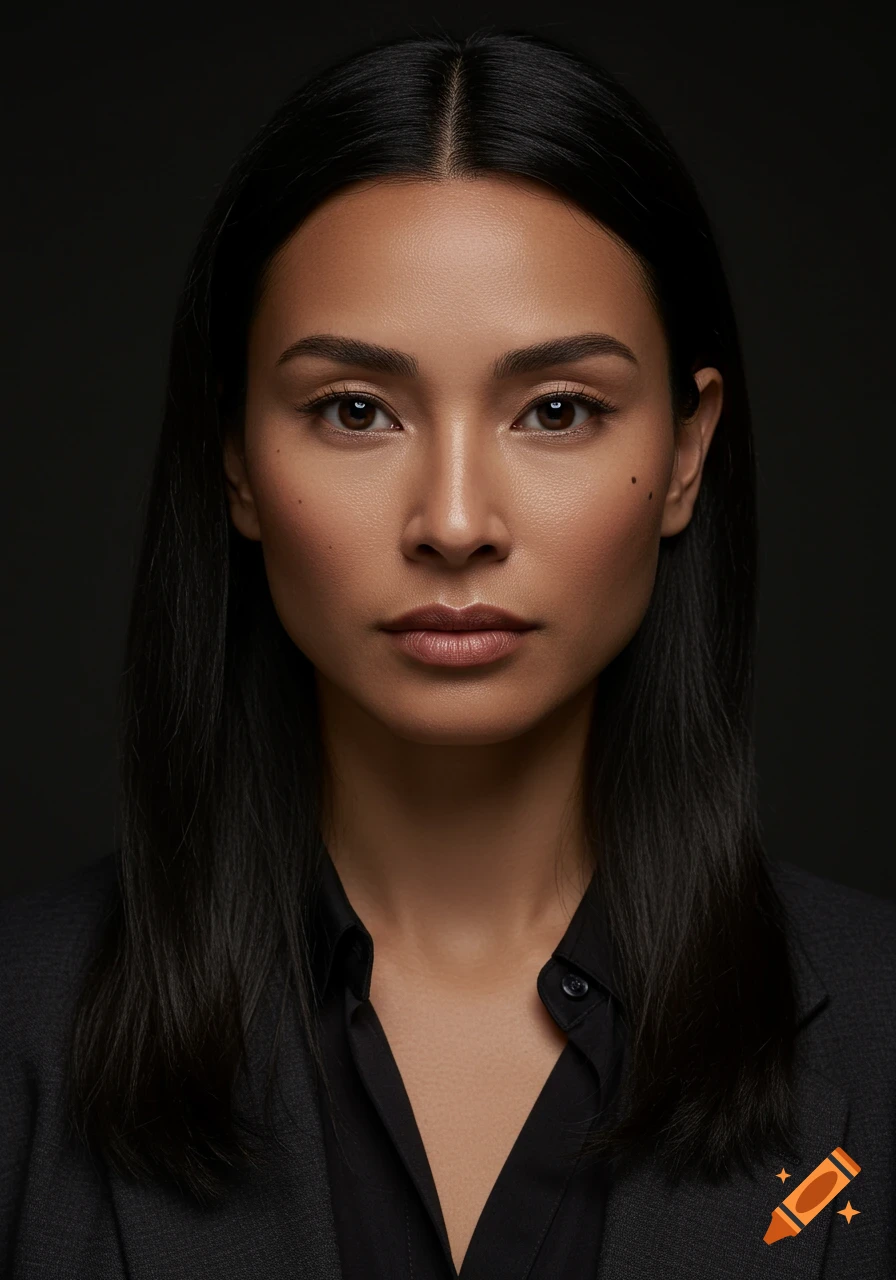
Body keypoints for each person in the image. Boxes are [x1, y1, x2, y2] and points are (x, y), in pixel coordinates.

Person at [1, 25, 894, 1280]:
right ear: (234, 456)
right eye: (355, 410)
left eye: (556, 410)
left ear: (686, 453)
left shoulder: (881, 1024)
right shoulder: (19, 1031)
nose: (456, 521)